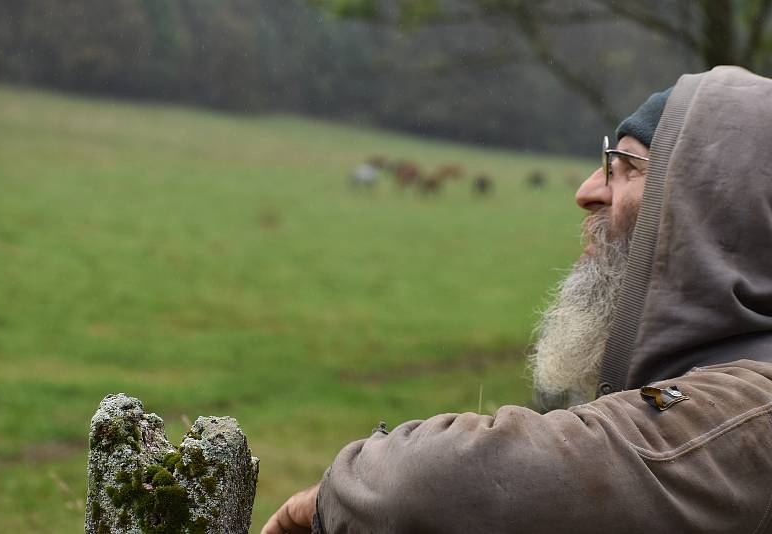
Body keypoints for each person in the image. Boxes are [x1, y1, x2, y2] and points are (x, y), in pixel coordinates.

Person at [261, 66, 772, 533]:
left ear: (716, 206)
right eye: (604, 161)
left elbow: (434, 486)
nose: (588, 189)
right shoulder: (706, 391)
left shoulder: (753, 415)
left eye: (627, 167)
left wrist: (329, 499)